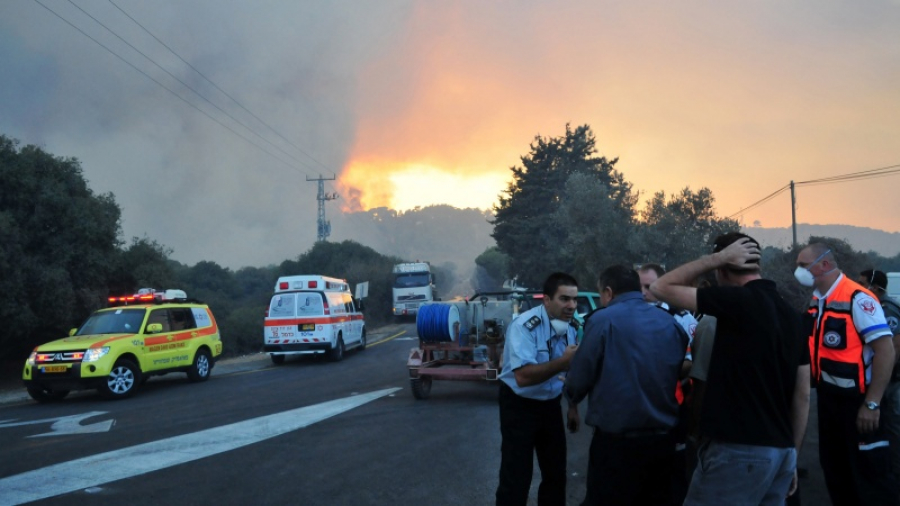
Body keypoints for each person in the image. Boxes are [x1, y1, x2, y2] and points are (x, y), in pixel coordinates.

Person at [650, 232, 810, 505]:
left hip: (738, 451)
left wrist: (716, 258)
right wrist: (791, 455)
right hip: (781, 452)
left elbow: (660, 287)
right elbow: (802, 395)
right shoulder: (792, 316)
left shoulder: (736, 301)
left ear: (721, 270)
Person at [565, 265, 689, 505]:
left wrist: (572, 399)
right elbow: (676, 369)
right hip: (663, 442)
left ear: (608, 292)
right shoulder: (670, 323)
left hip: (616, 445)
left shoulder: (601, 320)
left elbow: (581, 375)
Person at [496, 272, 580, 506]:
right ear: (546, 300)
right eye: (564, 299)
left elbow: (569, 373)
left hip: (550, 406)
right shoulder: (524, 326)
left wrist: (572, 407)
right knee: (516, 475)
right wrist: (563, 362)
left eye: (574, 299)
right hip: (519, 406)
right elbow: (522, 377)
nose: (571, 305)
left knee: (555, 473)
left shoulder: (570, 327)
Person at [638, 262, 697, 504]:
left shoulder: (681, 317)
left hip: (672, 403)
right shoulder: (629, 316)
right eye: (639, 286)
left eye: (649, 286)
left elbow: (691, 362)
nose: (643, 292)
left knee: (673, 469)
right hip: (638, 407)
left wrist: (658, 372)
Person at [859, 268, 900, 495]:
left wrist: (879, 381)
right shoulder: (876, 307)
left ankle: (893, 478)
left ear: (875, 287)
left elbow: (895, 345)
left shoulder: (887, 309)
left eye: (863, 283)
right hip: (887, 381)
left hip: (892, 382)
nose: (859, 287)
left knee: (893, 428)